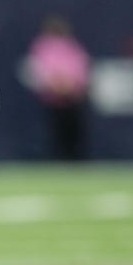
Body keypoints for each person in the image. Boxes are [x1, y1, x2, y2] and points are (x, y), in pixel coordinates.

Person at [27, 15, 90, 160]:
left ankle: (74, 161)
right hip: (53, 99)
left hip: (73, 99)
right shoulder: (44, 46)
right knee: (55, 134)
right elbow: (42, 71)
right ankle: (58, 161)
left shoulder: (71, 45)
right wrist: (58, 84)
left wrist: (71, 85)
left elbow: (81, 69)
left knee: (73, 135)